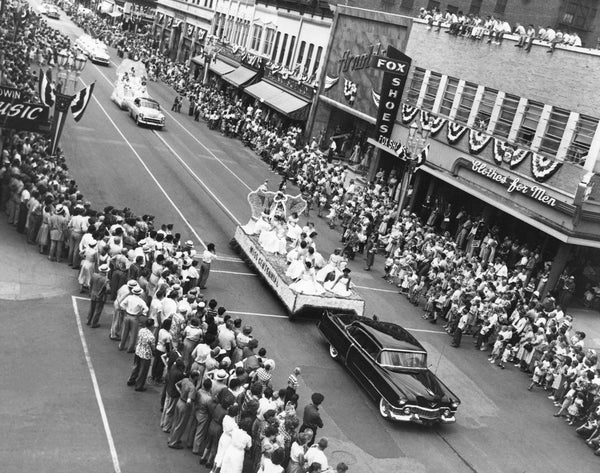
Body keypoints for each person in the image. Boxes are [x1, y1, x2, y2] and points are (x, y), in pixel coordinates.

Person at [168, 370, 200, 448]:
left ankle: (171, 438)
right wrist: (190, 406)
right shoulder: (192, 388)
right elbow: (189, 401)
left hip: (179, 401)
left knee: (175, 421)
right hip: (185, 406)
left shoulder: (185, 380)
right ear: (195, 377)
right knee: (181, 425)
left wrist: (180, 393)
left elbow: (176, 384)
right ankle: (173, 442)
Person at [127, 318, 156, 391]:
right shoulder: (151, 336)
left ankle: (131, 380)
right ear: (151, 326)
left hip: (138, 351)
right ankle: (139, 386)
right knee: (143, 371)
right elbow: (153, 347)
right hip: (145, 355)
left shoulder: (141, 330)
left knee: (136, 367)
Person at [119, 286, 149, 353]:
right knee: (133, 334)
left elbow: (122, 305)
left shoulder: (129, 297)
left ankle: (121, 345)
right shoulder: (141, 301)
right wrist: (141, 313)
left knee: (124, 332)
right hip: (134, 317)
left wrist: (125, 310)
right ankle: (130, 348)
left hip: (127, 315)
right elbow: (146, 309)